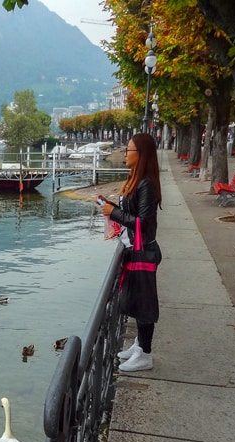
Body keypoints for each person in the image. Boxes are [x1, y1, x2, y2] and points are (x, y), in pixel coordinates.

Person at [100, 132, 162, 372]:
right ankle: (140, 345)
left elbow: (143, 222)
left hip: (143, 251)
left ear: (141, 155)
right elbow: (133, 215)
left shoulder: (146, 182)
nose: (125, 154)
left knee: (144, 305)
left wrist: (113, 212)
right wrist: (111, 207)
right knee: (137, 301)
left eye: (129, 150)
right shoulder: (136, 179)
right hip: (134, 249)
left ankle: (145, 354)